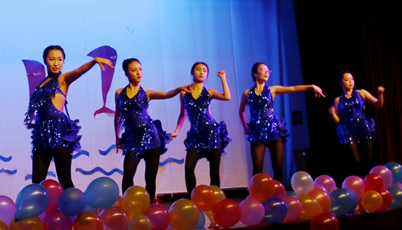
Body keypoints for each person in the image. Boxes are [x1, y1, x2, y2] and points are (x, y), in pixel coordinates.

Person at [24, 45, 113, 189]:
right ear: (45, 60)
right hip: (41, 135)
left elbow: (79, 71)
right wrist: (35, 122)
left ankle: (74, 204)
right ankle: (38, 205)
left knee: (65, 179)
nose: (56, 63)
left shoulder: (63, 79)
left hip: (60, 134)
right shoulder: (41, 83)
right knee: (37, 182)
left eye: (60, 60)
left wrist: (94, 61)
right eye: (52, 59)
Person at [115, 58, 189, 202]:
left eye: (140, 69)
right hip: (132, 140)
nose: (138, 73)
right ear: (126, 73)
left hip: (151, 138)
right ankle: (129, 205)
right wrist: (117, 137)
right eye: (134, 70)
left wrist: (179, 89)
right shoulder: (119, 93)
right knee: (128, 174)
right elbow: (118, 116)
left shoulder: (147, 93)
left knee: (150, 177)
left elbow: (167, 94)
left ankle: (149, 206)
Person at [239, 62, 325, 183]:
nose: (266, 72)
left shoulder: (272, 90)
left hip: (273, 131)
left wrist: (311, 86)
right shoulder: (247, 93)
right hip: (257, 133)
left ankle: (278, 192)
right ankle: (257, 193)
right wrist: (245, 128)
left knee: (278, 168)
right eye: (262, 70)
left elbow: (293, 88)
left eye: (268, 70)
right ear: (254, 73)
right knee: (257, 168)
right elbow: (241, 111)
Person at [172, 63, 232, 196]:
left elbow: (227, 97)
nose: (201, 72)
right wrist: (176, 131)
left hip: (212, 133)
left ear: (207, 75)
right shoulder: (184, 93)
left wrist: (223, 78)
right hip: (196, 135)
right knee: (188, 167)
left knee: (214, 172)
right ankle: (192, 198)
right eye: (198, 69)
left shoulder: (209, 92)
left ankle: (215, 199)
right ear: (192, 72)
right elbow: (183, 114)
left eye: (204, 70)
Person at [328, 70, 385, 177]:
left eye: (352, 79)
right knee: (355, 161)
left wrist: (380, 94)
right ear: (340, 83)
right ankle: (356, 182)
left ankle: (369, 181)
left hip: (363, 128)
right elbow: (338, 120)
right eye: (347, 80)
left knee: (368, 159)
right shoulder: (338, 100)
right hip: (348, 131)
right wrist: (333, 114)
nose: (350, 81)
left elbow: (378, 104)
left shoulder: (361, 93)